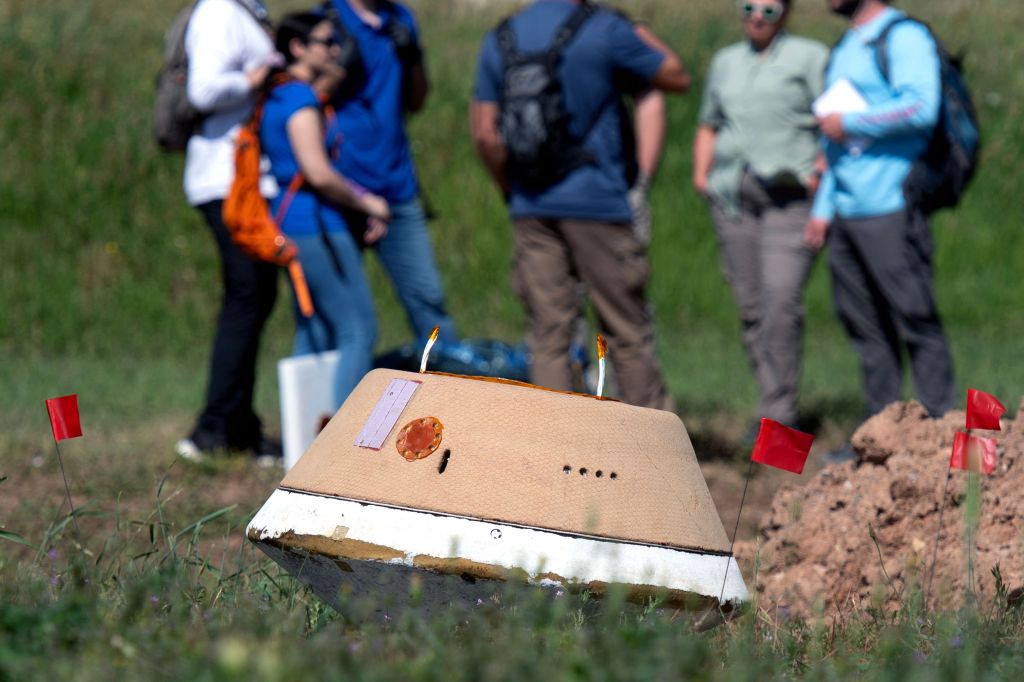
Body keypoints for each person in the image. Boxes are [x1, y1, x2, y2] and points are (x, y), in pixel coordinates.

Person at [470, 0, 690, 411]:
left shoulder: (502, 36)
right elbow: (676, 75)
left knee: (549, 337)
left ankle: (555, 451)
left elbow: (485, 134)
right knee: (626, 331)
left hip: (531, 206)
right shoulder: (606, 30)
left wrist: (512, 190)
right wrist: (637, 29)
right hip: (600, 204)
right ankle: (653, 456)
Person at [808, 0, 955, 449]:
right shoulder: (847, 44)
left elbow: (921, 106)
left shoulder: (904, 37)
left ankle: (936, 431)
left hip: (891, 203)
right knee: (864, 326)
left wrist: (849, 120)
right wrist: (823, 207)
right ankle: (879, 437)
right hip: (847, 212)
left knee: (914, 316)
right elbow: (834, 145)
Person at [693, 0, 828, 432]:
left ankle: (782, 415)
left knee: (780, 302)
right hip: (733, 196)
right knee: (751, 306)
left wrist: (823, 173)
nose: (756, 17)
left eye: (769, 11)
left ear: (786, 14)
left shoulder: (810, 57)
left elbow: (835, 119)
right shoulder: (726, 61)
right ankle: (770, 403)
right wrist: (701, 175)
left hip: (790, 198)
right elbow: (709, 121)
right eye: (749, 7)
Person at [261, 12, 392, 407]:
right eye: (325, 42)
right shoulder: (300, 99)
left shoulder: (279, 92)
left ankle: (303, 441)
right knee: (358, 329)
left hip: (291, 219)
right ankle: (342, 444)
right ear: (298, 48)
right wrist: (370, 203)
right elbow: (317, 171)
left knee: (314, 328)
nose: (335, 49)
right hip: (315, 223)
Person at [177, 0, 282, 461]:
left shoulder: (244, 10)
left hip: (243, 180)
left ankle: (237, 424)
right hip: (225, 179)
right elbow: (203, 91)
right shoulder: (219, 10)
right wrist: (257, 78)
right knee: (246, 294)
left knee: (257, 294)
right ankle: (212, 429)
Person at [322, 0, 457, 346]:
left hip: (396, 184)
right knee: (336, 316)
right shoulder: (328, 20)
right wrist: (337, 70)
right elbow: (303, 99)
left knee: (429, 299)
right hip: (339, 189)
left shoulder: (400, 18)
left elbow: (416, 100)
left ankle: (446, 392)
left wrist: (412, 57)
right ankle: (331, 400)